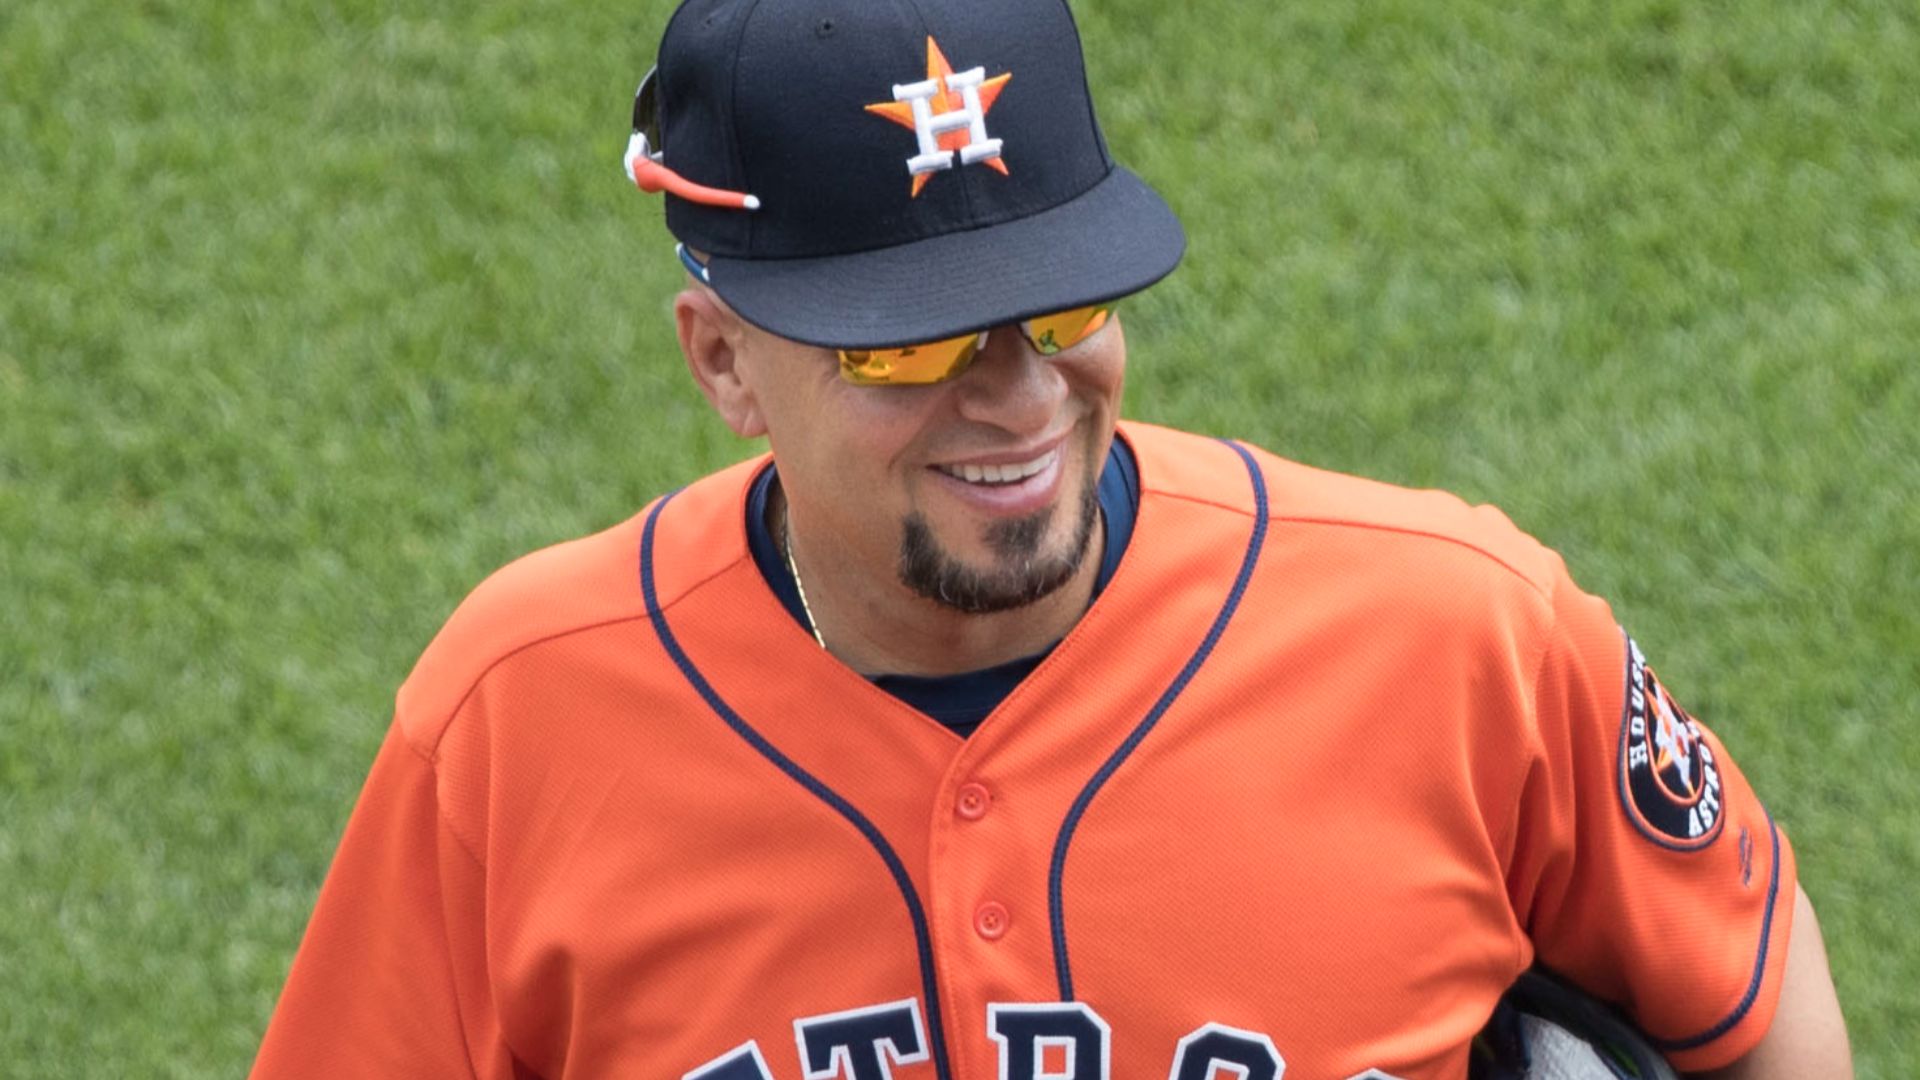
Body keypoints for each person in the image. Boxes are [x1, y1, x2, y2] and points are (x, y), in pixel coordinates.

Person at [250, 0, 1853, 1076]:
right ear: (724, 361)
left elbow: (1759, 993)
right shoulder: (519, 720)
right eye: (904, 345)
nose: (1014, 398)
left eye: (1061, 303)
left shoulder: (1460, 635)